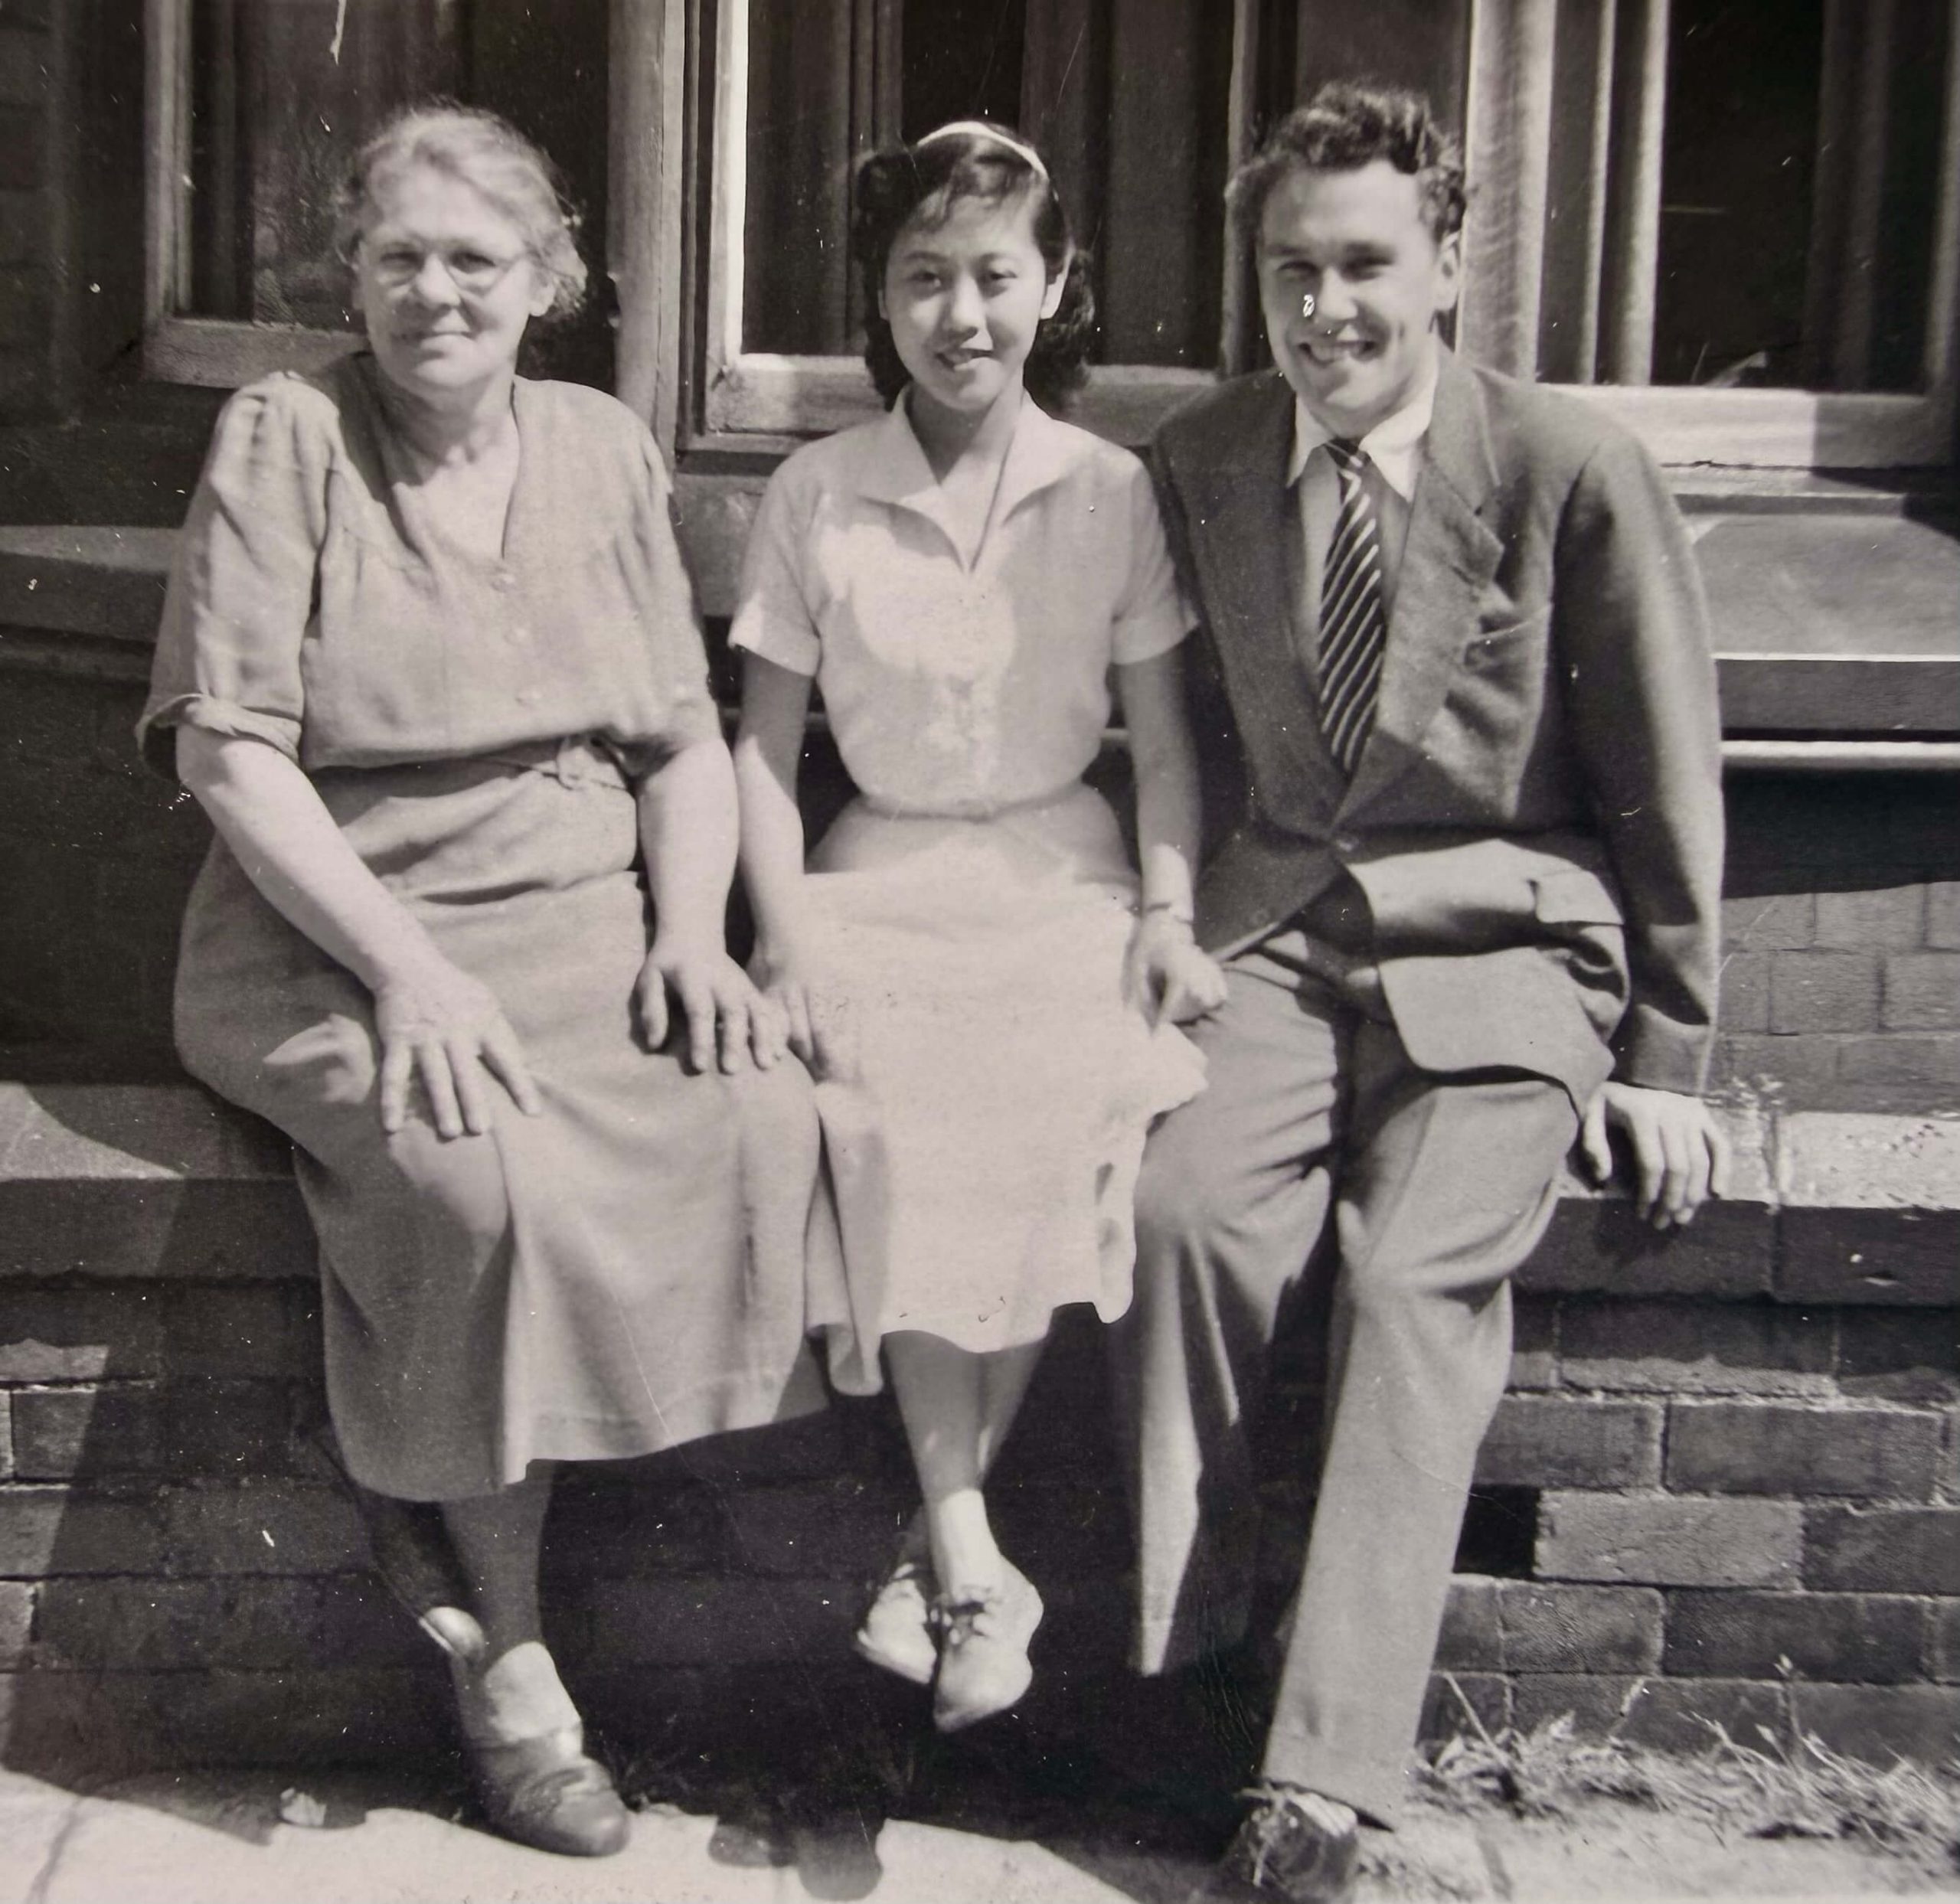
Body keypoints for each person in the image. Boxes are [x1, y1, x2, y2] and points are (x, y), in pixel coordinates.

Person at [138, 104, 824, 1859]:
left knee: (764, 1119)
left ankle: (447, 1519)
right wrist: (412, 973)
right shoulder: (285, 432)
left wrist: (690, 936)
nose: (434, 291)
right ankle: (510, 1665)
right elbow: (230, 757)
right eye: (397, 257)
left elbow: (677, 743)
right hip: (336, 927)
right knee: (477, 1175)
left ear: (547, 282)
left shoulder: (598, 443)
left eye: (474, 259)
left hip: (587, 912)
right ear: (349, 279)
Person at [1117, 83, 1729, 1904]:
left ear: (1447, 261)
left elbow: (1660, 764)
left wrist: (1668, 1050)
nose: (1325, 310)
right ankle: (1173, 1702)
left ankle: (1320, 1793)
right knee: (1177, 1215)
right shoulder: (1205, 459)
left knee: (1405, 1273)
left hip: (1507, 952)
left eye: (1365, 265)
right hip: (1282, 936)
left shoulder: (1564, 466)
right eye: (1289, 271)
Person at [731, 119, 1224, 1734]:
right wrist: (782, 922)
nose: (961, 316)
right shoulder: (815, 490)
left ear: (1055, 285)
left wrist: (1162, 910)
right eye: (922, 278)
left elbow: (1161, 745)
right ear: (875, 300)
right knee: (881, 1103)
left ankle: (944, 1546)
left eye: (994, 277)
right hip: (870, 873)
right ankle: (964, 1550)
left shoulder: (1108, 494)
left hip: (1062, 869)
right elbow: (756, 743)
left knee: (1040, 1088)